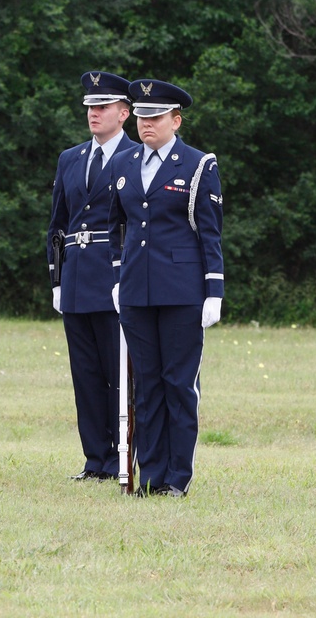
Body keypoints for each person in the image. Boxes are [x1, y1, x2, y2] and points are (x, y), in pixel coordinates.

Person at [105, 78, 223, 497]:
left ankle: (177, 478)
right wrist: (118, 277)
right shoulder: (123, 163)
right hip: (137, 291)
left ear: (176, 119)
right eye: (141, 116)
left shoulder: (197, 165)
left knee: (178, 384)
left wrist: (214, 292)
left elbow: (210, 234)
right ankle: (151, 477)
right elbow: (115, 227)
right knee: (147, 386)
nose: (146, 124)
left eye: (155, 117)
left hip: (181, 291)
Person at [46, 72, 137, 481]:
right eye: (89, 107)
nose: (93, 113)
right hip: (78, 278)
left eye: (102, 107)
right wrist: (57, 280)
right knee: (85, 374)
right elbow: (58, 223)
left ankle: (123, 454)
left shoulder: (135, 157)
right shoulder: (71, 158)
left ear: (124, 113)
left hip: (114, 276)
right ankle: (94, 459)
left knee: (117, 373)